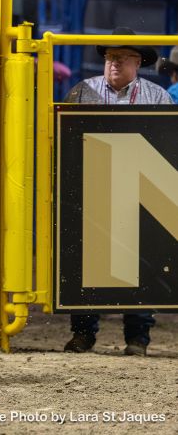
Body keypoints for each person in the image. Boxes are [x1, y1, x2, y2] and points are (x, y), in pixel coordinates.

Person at [63, 26, 172, 356]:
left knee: (143, 262)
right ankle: (83, 334)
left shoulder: (157, 96)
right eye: (110, 56)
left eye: (123, 57)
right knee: (87, 261)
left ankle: (138, 337)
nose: (114, 62)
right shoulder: (82, 91)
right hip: (92, 187)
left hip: (142, 192)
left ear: (138, 62)